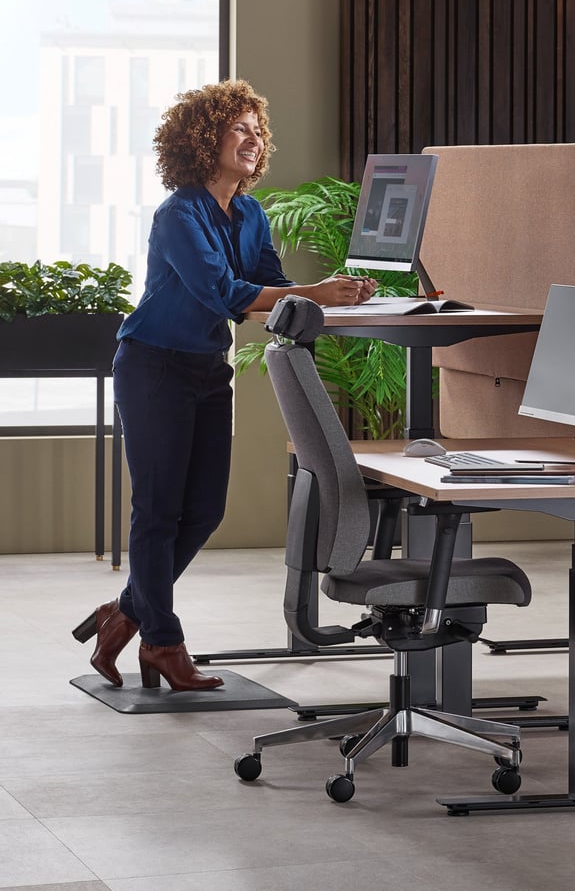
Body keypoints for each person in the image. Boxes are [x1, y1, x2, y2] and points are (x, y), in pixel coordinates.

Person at [72, 79, 377, 691]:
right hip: (153, 367)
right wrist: (308, 295)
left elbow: (269, 285)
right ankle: (161, 639)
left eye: (256, 130)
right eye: (239, 128)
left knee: (205, 509)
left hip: (208, 368)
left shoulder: (251, 213)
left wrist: (335, 299)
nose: (252, 138)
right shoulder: (178, 213)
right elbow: (224, 292)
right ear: (203, 138)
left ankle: (126, 612)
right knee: (157, 511)